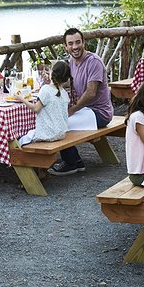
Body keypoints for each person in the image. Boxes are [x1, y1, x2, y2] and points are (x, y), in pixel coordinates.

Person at [48, 28, 114, 176]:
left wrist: (72, 109)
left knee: (61, 122)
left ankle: (71, 163)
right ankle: (75, 161)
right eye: (70, 44)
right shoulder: (71, 62)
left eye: (78, 42)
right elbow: (66, 84)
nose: (75, 47)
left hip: (99, 113)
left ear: (84, 42)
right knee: (57, 117)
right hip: (85, 111)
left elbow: (91, 93)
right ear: (66, 46)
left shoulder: (94, 62)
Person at [16, 61, 70, 145]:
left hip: (47, 134)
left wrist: (21, 98)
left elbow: (36, 109)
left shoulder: (46, 89)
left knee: (19, 140)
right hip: (61, 133)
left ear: (52, 73)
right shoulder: (64, 93)